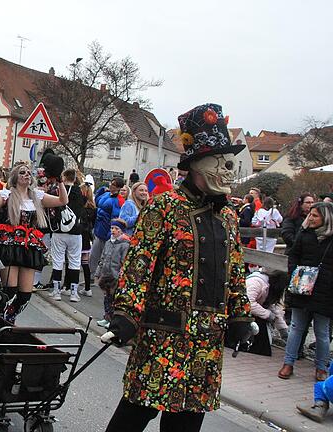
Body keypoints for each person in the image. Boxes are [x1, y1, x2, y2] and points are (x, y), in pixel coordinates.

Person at [101, 103, 253, 432]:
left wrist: (241, 315)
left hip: (206, 342)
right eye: (222, 162)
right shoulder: (165, 206)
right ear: (198, 163)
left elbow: (236, 272)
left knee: (186, 424)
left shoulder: (227, 215)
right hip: (163, 338)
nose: (229, 170)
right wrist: (125, 315)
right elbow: (138, 266)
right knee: (135, 414)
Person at [0, 157, 67, 323]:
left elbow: (62, 201)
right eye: (22, 173)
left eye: (28, 173)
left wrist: (60, 181)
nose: (26, 175)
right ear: (15, 177)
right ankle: (0, 323)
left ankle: (9, 320)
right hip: (9, 245)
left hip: (28, 247)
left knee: (25, 295)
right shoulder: (7, 195)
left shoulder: (37, 196)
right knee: (9, 290)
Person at [279, 202, 333, 383]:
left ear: (325, 218)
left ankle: (321, 367)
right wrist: (294, 271)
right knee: (296, 327)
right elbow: (293, 254)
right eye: (310, 215)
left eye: (315, 215)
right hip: (302, 287)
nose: (311, 218)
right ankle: (288, 363)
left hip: (325, 290)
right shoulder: (304, 234)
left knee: (322, 332)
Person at [48, 168, 86, 302]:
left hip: (59, 230)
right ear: (75, 178)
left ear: (63, 177)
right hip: (76, 231)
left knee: (58, 260)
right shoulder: (80, 192)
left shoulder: (58, 191)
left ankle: (56, 291)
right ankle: (73, 292)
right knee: (75, 261)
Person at [242, 269, 288, 356]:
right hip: (241, 312)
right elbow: (248, 303)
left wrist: (283, 329)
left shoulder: (269, 288)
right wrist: (268, 315)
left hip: (252, 312)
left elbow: (273, 308)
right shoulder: (256, 282)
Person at [89, 177, 125, 283]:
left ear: (118, 187)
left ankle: (103, 278)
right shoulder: (106, 195)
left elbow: (115, 218)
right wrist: (101, 190)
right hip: (98, 230)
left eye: (113, 184)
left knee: (106, 258)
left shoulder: (119, 200)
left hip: (106, 232)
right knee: (94, 256)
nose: (111, 185)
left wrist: (111, 233)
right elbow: (96, 201)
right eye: (111, 183)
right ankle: (91, 277)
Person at [95, 219, 130, 328]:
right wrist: (98, 272)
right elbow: (102, 258)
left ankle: (112, 320)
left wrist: (122, 275)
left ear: (121, 231)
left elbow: (124, 261)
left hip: (116, 276)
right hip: (106, 275)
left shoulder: (124, 245)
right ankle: (107, 317)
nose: (113, 231)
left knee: (114, 299)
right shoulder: (108, 242)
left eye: (116, 229)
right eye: (112, 228)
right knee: (107, 298)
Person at [77, 181, 97, 297]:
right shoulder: (93, 208)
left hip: (78, 234)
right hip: (87, 236)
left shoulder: (80, 207)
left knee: (73, 261)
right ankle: (88, 288)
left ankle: (68, 286)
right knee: (85, 263)